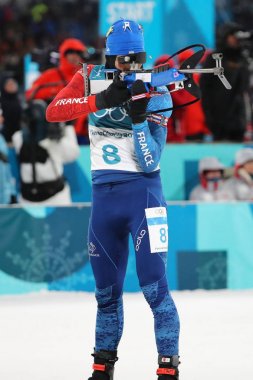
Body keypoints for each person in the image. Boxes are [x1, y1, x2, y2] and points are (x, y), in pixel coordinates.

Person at [47, 19, 180, 380]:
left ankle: (168, 369)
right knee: (105, 296)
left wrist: (139, 121)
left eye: (133, 59)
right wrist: (99, 99)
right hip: (104, 203)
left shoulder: (157, 90)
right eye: (119, 61)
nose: (126, 68)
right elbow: (54, 111)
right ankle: (102, 368)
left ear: (142, 55)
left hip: (144, 200)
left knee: (155, 289)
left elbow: (151, 161)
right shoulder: (92, 76)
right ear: (109, 58)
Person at [12, 99, 80, 205]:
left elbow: (73, 154)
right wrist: (68, 127)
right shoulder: (52, 142)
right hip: (31, 199)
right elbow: (73, 154)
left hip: (54, 196)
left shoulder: (18, 138)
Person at [26, 38, 89, 144]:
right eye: (71, 53)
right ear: (64, 55)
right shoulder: (50, 74)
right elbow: (30, 95)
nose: (74, 56)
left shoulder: (88, 76)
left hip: (85, 132)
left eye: (78, 53)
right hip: (57, 132)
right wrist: (55, 92)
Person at [200, 22, 251, 142]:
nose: (236, 39)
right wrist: (209, 117)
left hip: (239, 120)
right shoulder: (214, 58)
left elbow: (244, 86)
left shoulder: (243, 58)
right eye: (232, 35)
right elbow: (205, 88)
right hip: (218, 118)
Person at [0, 76, 23, 144]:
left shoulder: (19, 99)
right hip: (4, 138)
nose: (12, 86)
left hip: (18, 136)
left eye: (13, 84)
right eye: (9, 84)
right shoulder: (2, 102)